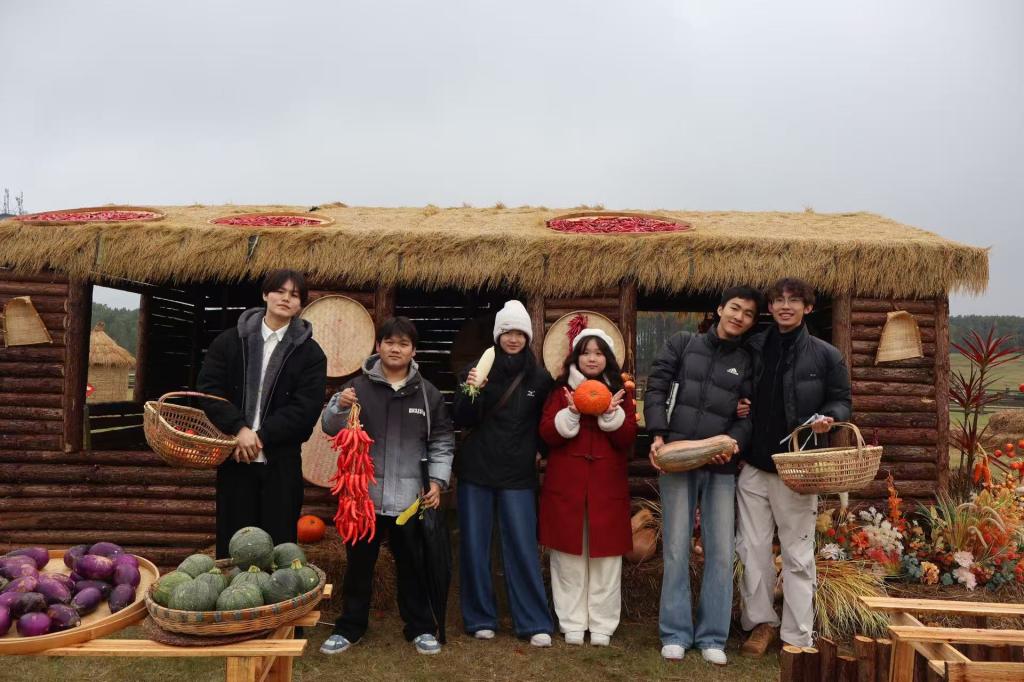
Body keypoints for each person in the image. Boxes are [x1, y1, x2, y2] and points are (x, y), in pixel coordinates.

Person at [318, 317, 455, 657]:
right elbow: (330, 428)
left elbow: (442, 440)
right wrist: (338, 406)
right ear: (378, 346)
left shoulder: (428, 394)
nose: (396, 349)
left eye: (404, 344)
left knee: (413, 566)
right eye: (390, 342)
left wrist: (437, 480)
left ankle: (420, 627)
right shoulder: (357, 388)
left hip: (410, 499)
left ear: (413, 351)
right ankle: (350, 627)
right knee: (359, 566)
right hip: (364, 498)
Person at [642, 287, 761, 665]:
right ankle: (675, 633)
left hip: (720, 466)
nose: (739, 317)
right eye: (735, 308)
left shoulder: (746, 361)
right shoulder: (682, 344)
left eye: (748, 314)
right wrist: (658, 435)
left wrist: (734, 443)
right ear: (720, 309)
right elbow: (656, 387)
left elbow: (749, 415)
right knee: (677, 548)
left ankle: (712, 637)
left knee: (721, 552)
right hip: (678, 460)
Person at [736, 278, 851, 656]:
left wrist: (828, 418)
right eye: (779, 300)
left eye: (794, 300)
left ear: (808, 307)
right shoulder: (754, 347)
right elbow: (739, 390)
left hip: (797, 469)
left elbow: (842, 401)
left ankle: (797, 636)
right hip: (755, 465)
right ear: (770, 307)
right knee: (752, 550)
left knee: (798, 555)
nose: (785, 306)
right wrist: (740, 404)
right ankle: (762, 625)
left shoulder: (826, 355)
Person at [197, 269, 327, 558]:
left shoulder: (311, 354)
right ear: (265, 294)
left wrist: (261, 436)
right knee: (233, 549)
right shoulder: (230, 341)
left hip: (281, 464)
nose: (286, 298)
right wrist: (239, 428)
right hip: (235, 459)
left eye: (294, 295)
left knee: (279, 550)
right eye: (280, 291)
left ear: (300, 305)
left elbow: (305, 409)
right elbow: (209, 389)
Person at [452, 300, 555, 647]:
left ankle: (533, 621)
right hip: (477, 469)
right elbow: (461, 417)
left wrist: (540, 452)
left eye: (519, 333)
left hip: (517, 473)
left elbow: (545, 425)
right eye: (507, 332)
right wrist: (472, 391)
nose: (513, 338)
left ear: (528, 337)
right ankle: (480, 617)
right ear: (498, 335)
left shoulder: (539, 377)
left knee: (522, 547)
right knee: (475, 545)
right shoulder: (476, 369)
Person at [538, 328, 636, 647]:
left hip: (607, 487)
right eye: (585, 352)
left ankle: (603, 624)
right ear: (575, 357)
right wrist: (571, 412)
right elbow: (547, 434)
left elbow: (628, 439)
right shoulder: (560, 392)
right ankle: (572, 622)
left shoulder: (621, 392)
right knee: (567, 557)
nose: (592, 358)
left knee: (606, 559)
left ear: (607, 358)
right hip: (566, 486)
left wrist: (613, 414)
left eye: (598, 352)